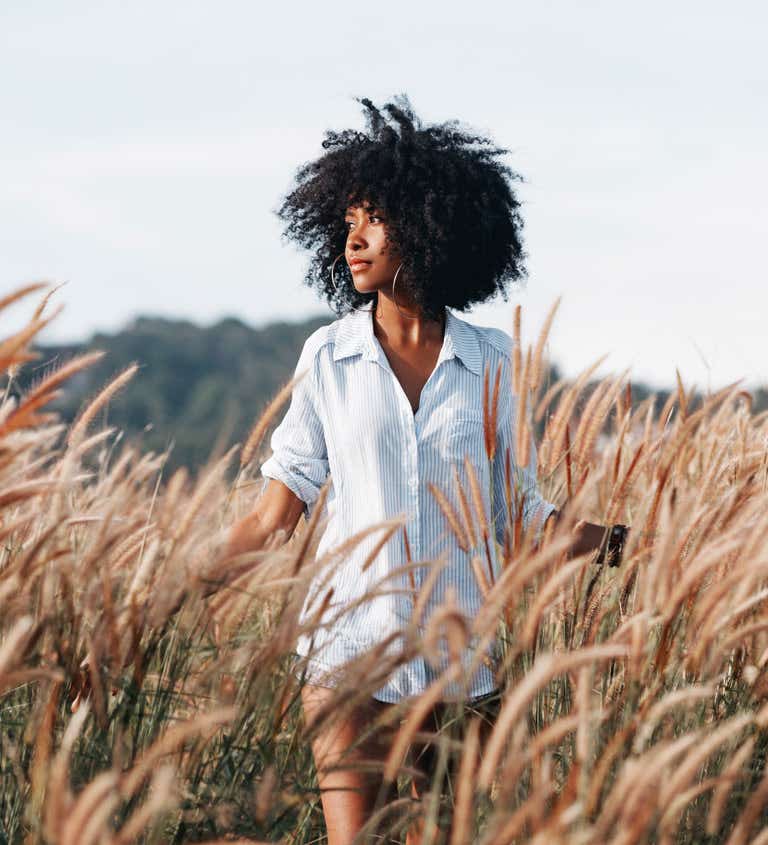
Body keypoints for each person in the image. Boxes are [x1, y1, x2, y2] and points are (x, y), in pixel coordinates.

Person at [223, 95, 629, 845]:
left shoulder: (491, 362)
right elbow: (274, 515)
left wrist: (628, 545)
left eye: (373, 219)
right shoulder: (328, 357)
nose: (355, 238)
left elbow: (520, 516)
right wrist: (179, 582)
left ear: (429, 222)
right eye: (347, 222)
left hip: (462, 662)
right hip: (349, 652)